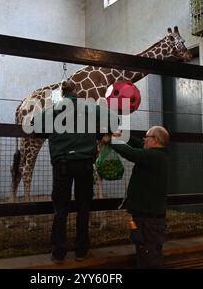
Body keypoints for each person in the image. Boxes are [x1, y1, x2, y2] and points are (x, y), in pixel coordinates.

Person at [33, 80, 114, 264]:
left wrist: (50, 133)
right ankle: (81, 250)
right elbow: (114, 119)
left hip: (62, 164)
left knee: (60, 209)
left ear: (62, 93)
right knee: (83, 208)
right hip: (84, 164)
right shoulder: (89, 107)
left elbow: (33, 124)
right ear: (76, 91)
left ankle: (58, 252)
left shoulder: (55, 108)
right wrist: (101, 134)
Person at [102, 126, 170, 268]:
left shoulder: (154, 156)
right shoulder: (158, 154)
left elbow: (131, 153)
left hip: (149, 222)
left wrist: (111, 140)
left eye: (147, 136)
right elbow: (138, 144)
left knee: (149, 256)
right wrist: (121, 135)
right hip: (147, 218)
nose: (144, 139)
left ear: (156, 140)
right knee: (147, 253)